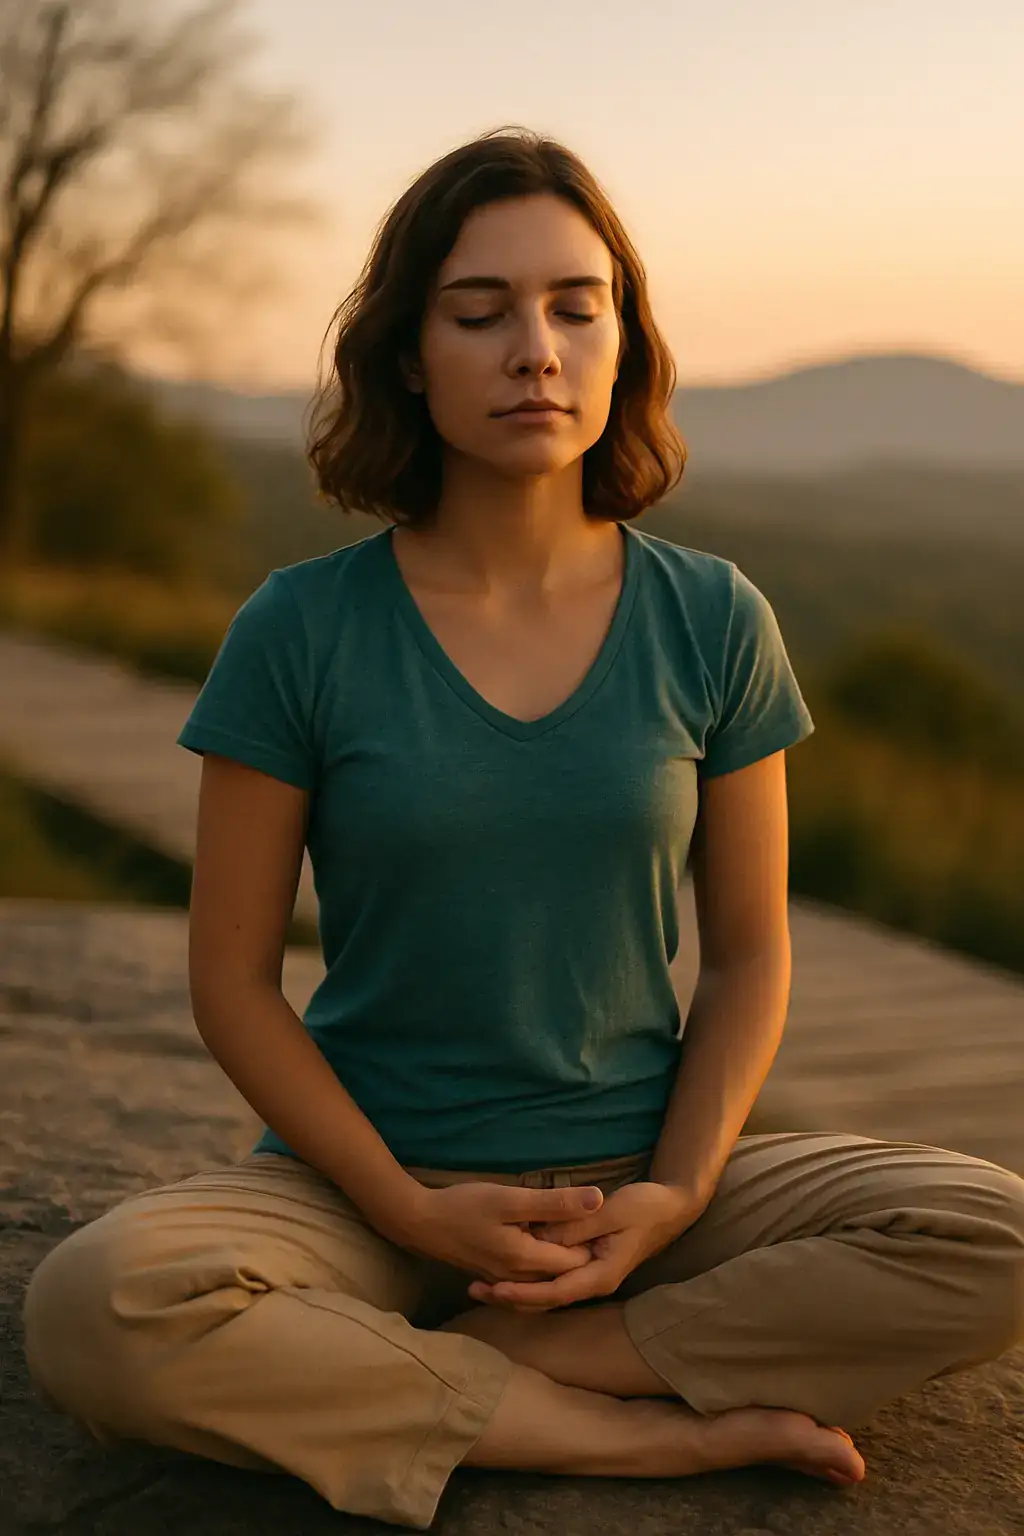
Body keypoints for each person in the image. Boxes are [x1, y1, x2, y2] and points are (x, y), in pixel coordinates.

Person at [21, 126, 1024, 1532]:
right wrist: (407, 1209)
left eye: (574, 307)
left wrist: (679, 1191)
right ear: (407, 356)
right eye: (479, 313)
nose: (535, 351)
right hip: (368, 1197)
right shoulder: (300, 629)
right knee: (97, 1305)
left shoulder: (713, 618)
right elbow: (233, 984)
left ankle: (514, 1364)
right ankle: (622, 1435)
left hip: (645, 1195)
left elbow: (749, 957)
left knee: (997, 1233)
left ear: (623, 344)